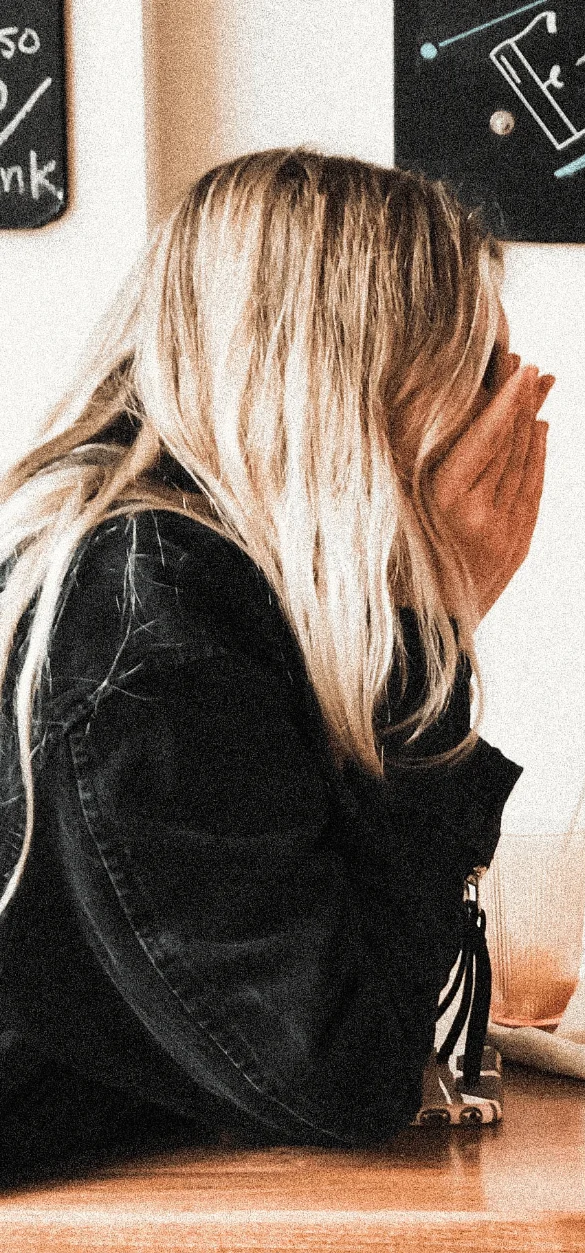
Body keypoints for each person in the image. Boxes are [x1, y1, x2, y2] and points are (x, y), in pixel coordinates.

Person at [0, 149, 550, 1184]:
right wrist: (433, 628)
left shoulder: (175, 579)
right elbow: (342, 1074)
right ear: (351, 380)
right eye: (481, 376)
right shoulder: (148, 637)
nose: (508, 420)